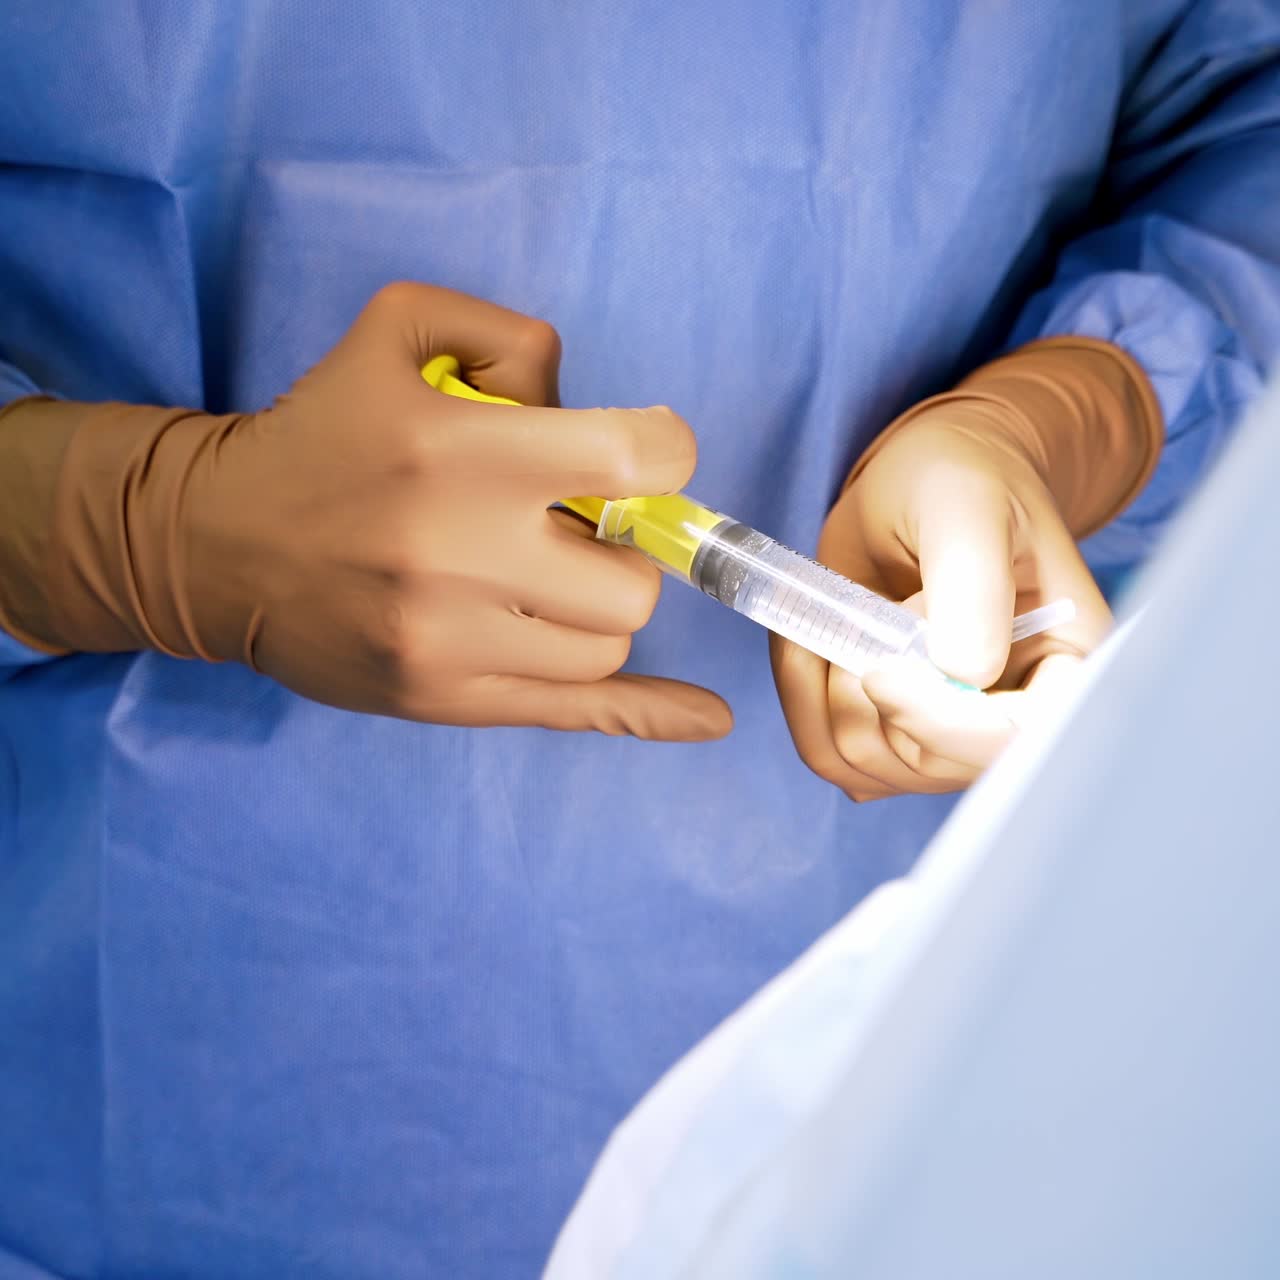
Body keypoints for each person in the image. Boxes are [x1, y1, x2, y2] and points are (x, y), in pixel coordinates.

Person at [0, 3, 1276, 1276]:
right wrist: (127, 520)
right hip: (127, 1104)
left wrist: (1071, 403)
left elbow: (1248, 141)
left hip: (872, 1083)